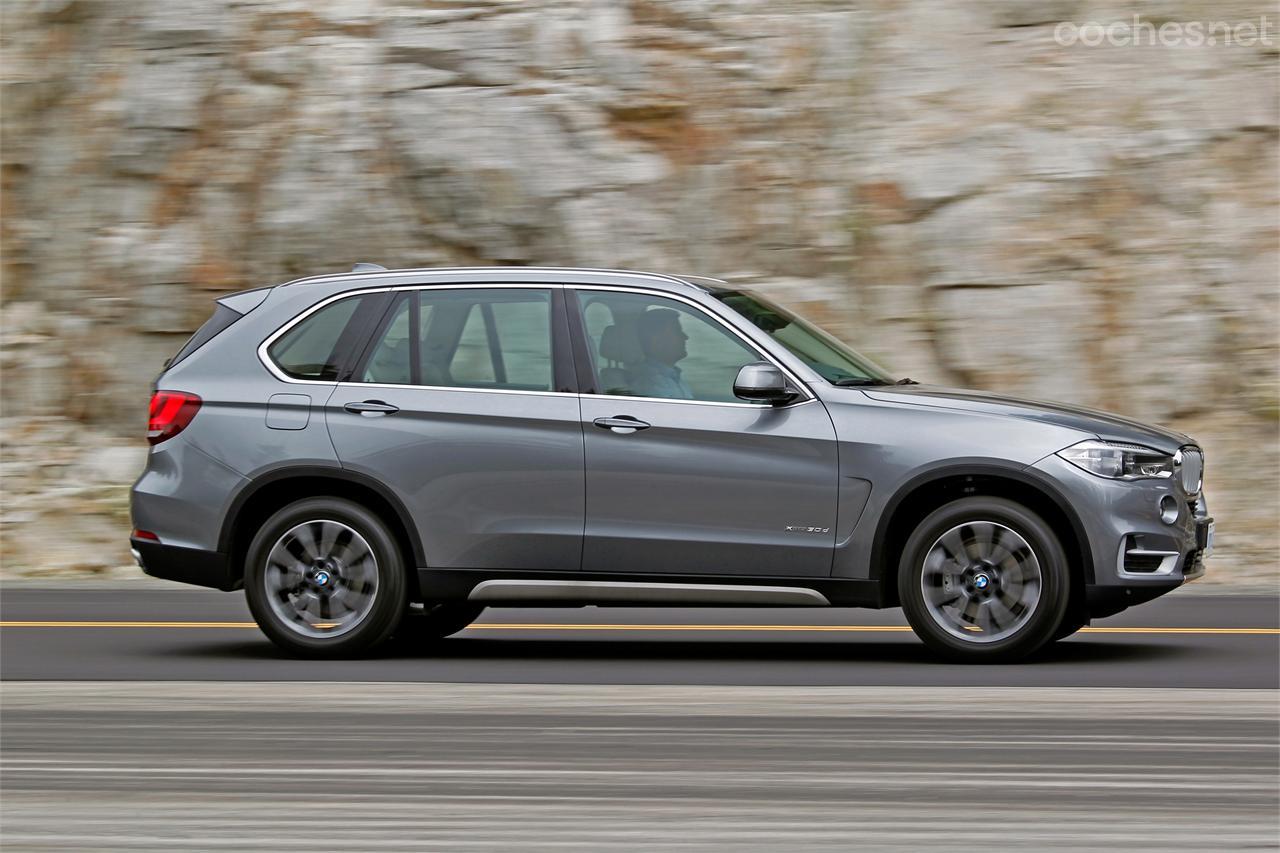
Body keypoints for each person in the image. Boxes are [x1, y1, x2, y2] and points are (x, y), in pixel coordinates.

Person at [630, 308, 694, 399]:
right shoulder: (650, 384)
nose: (685, 337)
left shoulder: (671, 377)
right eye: (677, 331)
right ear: (656, 340)